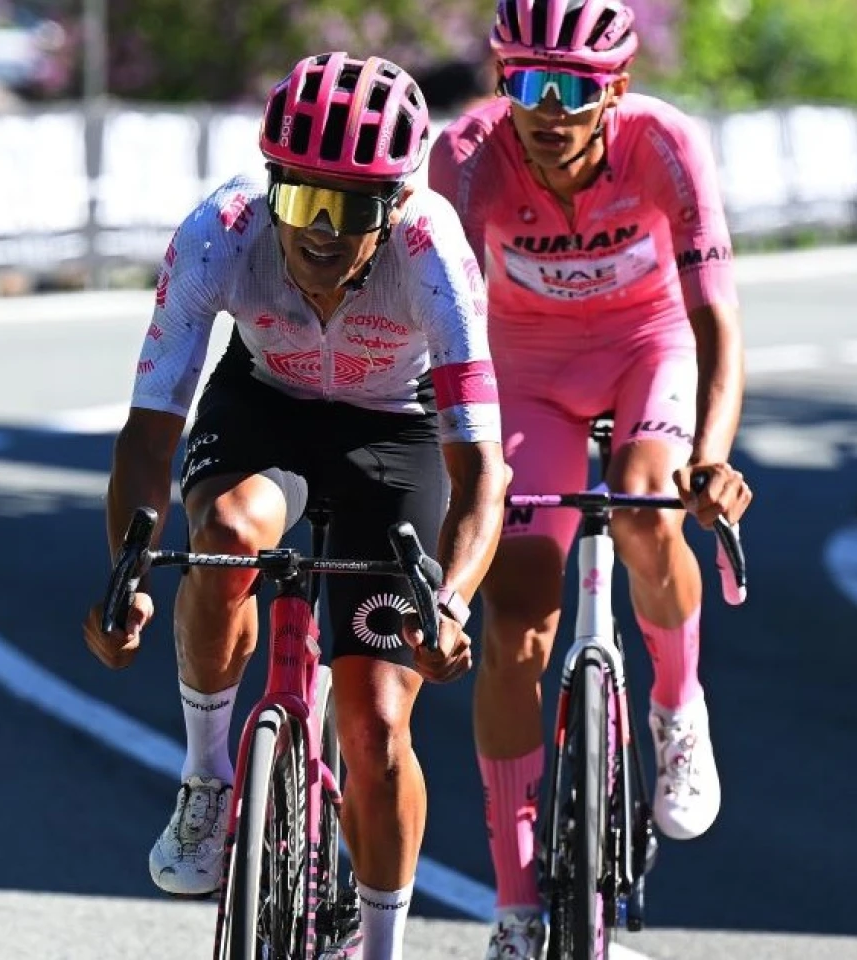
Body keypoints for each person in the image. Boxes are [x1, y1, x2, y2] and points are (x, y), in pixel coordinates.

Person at [81, 52, 508, 960]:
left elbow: (481, 472)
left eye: (348, 210)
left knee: (376, 725)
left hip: (395, 432)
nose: (318, 232)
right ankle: (207, 778)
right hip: (263, 407)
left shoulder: (435, 256)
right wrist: (126, 577)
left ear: (396, 204)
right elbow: (148, 435)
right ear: (271, 183)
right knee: (227, 535)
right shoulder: (221, 231)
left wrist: (452, 603)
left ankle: (383, 946)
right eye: (302, 198)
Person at [428, 1, 753, 955]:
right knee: (516, 623)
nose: (549, 109)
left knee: (650, 514)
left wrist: (712, 456)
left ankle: (677, 707)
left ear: (616, 92)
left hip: (648, 348)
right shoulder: (468, 158)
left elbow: (715, 322)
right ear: (502, 81)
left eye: (574, 88)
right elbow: (444, 326)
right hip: (525, 370)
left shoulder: (667, 145)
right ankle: (516, 904)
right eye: (527, 82)